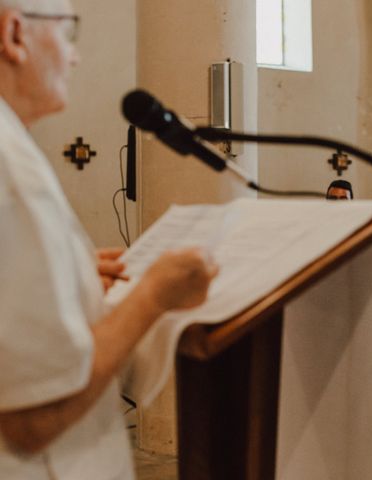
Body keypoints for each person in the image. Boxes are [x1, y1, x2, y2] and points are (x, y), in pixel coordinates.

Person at [0, 1, 217, 477]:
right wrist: (154, 293)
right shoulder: (10, 168)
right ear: (15, 34)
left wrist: (70, 272)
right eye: (67, 31)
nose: (75, 56)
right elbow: (31, 417)